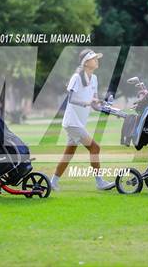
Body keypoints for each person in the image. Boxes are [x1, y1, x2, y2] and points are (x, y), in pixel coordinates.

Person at [50, 49, 115, 191]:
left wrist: (105, 106)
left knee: (69, 153)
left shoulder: (95, 79)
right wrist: (87, 101)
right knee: (95, 147)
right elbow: (72, 99)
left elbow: (95, 105)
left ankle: (52, 182)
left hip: (78, 123)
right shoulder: (76, 77)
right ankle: (100, 182)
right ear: (86, 63)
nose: (97, 60)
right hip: (72, 122)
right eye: (93, 58)